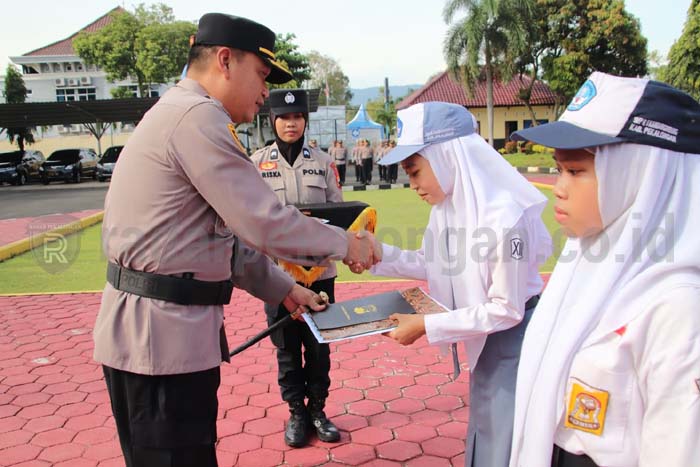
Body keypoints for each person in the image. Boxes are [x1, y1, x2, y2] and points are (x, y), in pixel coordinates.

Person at [93, 13, 375, 467]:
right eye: (262, 75)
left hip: (162, 338)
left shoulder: (182, 113)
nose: (266, 92)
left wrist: (287, 290)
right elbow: (263, 223)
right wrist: (346, 243)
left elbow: (222, 239)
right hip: (159, 344)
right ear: (225, 60)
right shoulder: (197, 117)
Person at [508, 72, 700, 467]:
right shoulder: (586, 260)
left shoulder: (679, 309)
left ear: (641, 176)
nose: (558, 188)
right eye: (558, 169)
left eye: (576, 172)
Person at [367, 101, 552, 467]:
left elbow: (507, 308)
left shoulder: (504, 217)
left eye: (415, 171)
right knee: (486, 429)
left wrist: (426, 325)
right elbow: (433, 262)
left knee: (505, 439)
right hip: (486, 336)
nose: (413, 185)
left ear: (447, 156)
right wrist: (377, 254)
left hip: (513, 342)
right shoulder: (448, 208)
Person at [250, 89, 342, 447]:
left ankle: (318, 410)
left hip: (320, 274)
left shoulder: (322, 162)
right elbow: (252, 221)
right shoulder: (256, 164)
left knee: (319, 346)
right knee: (286, 348)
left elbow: (338, 216)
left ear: (305, 120)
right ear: (272, 120)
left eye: (297, 117)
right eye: (284, 118)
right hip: (277, 277)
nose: (291, 124)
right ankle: (296, 414)